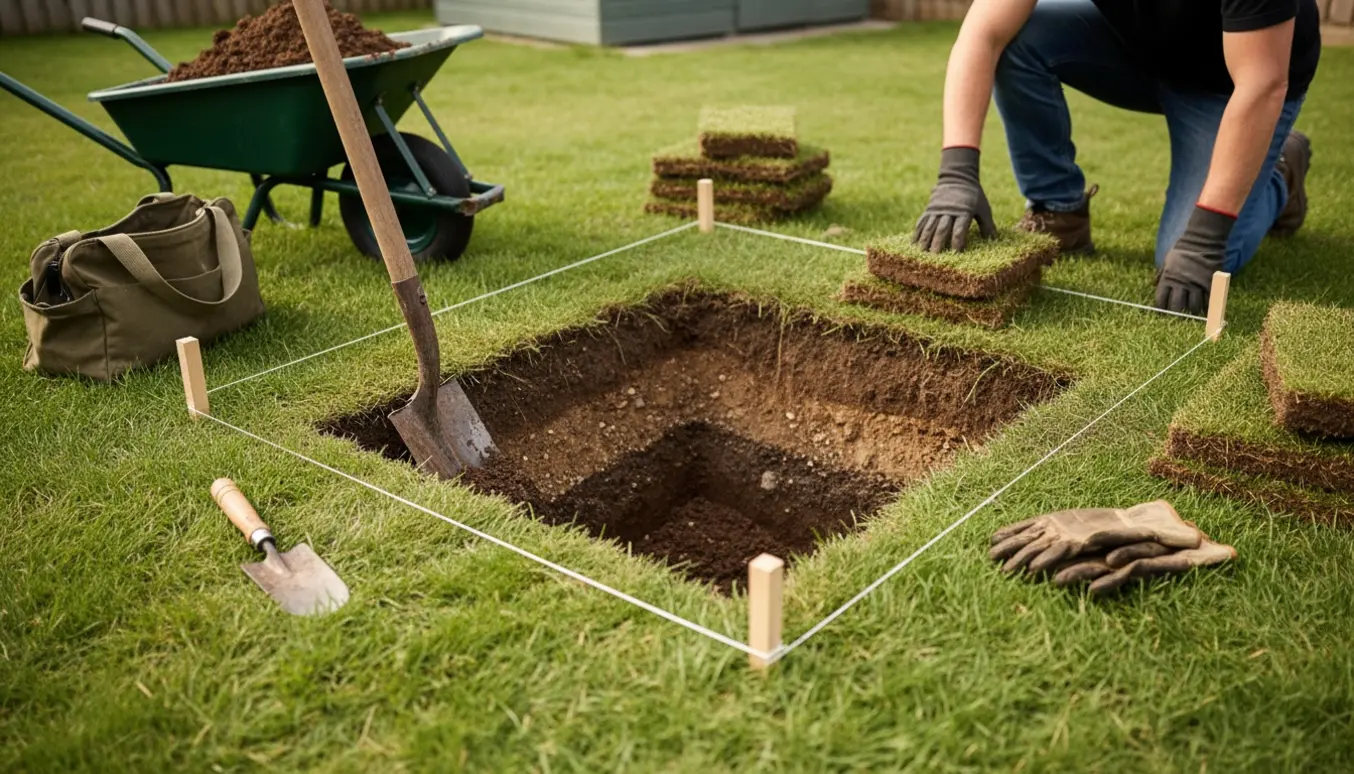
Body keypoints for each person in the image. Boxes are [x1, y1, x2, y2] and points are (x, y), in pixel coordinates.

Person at [912, 0, 1320, 314]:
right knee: (1021, 38)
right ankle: (1060, 213)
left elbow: (1261, 83)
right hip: (1137, 50)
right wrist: (957, 173)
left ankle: (1279, 172)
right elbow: (983, 33)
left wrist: (1206, 234)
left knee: (1191, 255)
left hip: (1231, 87)